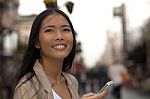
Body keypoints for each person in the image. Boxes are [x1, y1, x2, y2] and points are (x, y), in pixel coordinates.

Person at [12, 8, 108, 99]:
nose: (59, 36)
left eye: (65, 29)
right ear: (37, 42)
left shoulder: (72, 81)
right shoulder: (27, 87)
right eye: (49, 30)